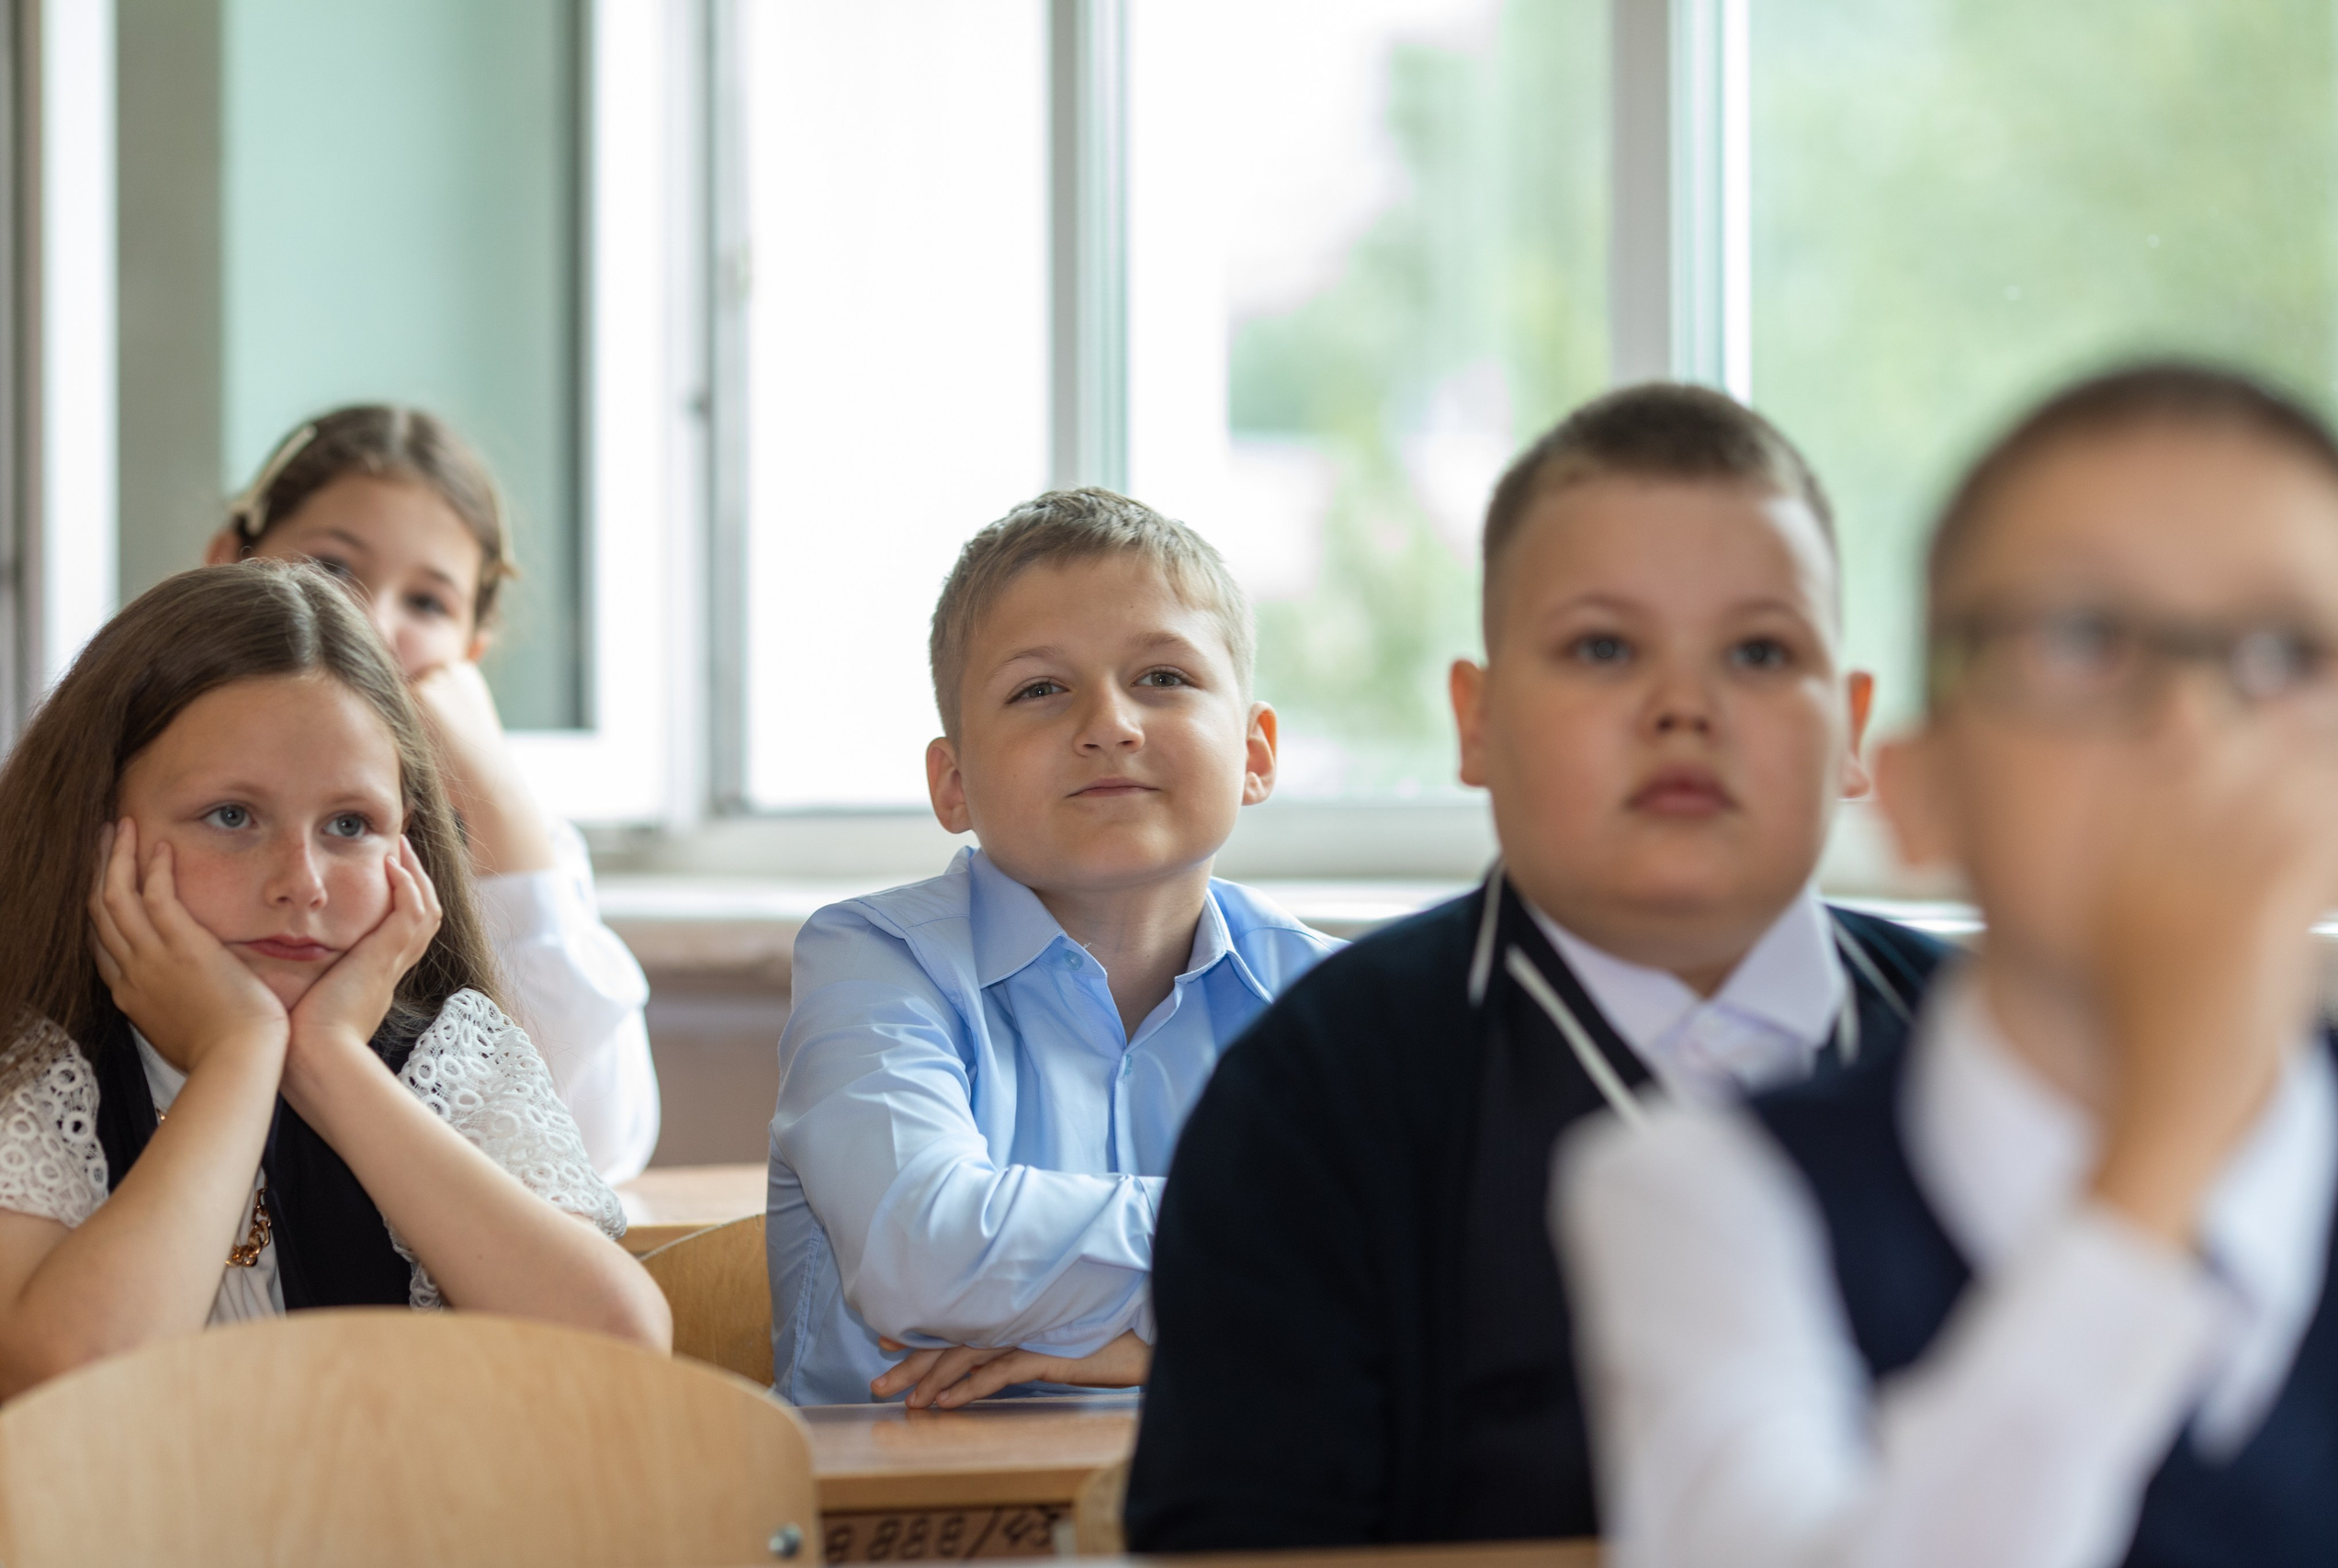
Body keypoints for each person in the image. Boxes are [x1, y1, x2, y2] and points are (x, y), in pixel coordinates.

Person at [1124, 385, 1948, 1548]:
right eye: (1603, 648)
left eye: (1760, 651)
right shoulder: (1317, 1095)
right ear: (1479, 719)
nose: (1683, 707)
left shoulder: (2010, 1048)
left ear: (1852, 726)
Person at [1558, 364, 2338, 1568]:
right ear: (1919, 788)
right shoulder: (1701, 1190)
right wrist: (2161, 1155)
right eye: (2084, 638)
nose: (2193, 725)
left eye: (2286, 651)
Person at [0, 561, 670, 1397]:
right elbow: (68, 1378)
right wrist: (238, 1055)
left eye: (350, 824)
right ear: (97, 834)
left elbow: (618, 1348)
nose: (302, 882)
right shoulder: (28, 1071)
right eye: (232, 816)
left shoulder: (446, 1061)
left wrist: (327, 1061)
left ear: (408, 849)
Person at [766, 488, 1340, 1408]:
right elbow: (922, 1253)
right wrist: (1274, 1279)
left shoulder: (1337, 999)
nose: (1109, 723)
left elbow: (1461, 1280)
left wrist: (1162, 1349)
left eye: (1164, 677)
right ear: (952, 784)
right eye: (1040, 689)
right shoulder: (872, 960)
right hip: (912, 1531)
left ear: (1255, 751)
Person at [210, 407, 658, 1180]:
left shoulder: (516, 843)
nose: (372, 623)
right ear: (228, 563)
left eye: (427, 603)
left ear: (470, 654)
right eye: (333, 568)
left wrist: (503, 818)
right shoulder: (145, 797)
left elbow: (596, 1147)